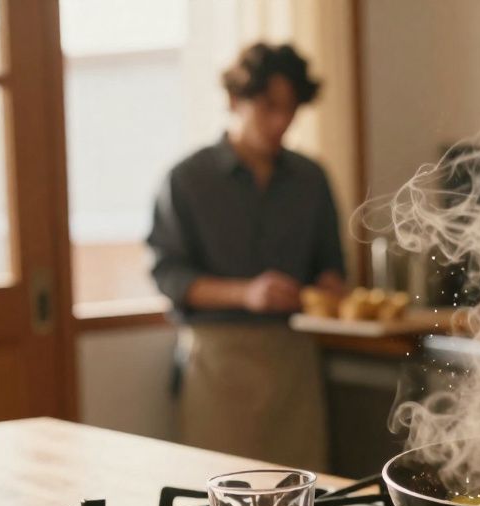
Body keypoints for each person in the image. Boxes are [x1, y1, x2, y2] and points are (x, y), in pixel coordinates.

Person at [147, 43, 345, 470]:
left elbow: (331, 265)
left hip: (293, 359)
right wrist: (246, 293)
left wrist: (331, 289)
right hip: (219, 361)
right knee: (220, 487)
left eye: (290, 109)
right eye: (269, 106)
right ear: (236, 100)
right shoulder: (188, 179)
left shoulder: (311, 179)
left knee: (302, 488)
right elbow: (169, 274)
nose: (280, 121)